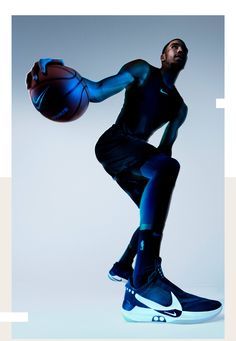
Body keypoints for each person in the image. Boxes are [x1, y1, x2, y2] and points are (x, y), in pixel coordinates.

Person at [26, 38, 222, 323]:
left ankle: (125, 271)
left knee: (152, 209)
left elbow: (164, 152)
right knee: (165, 173)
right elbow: (97, 91)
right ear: (162, 55)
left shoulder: (180, 108)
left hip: (135, 158)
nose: (179, 51)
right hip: (115, 143)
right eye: (173, 47)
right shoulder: (142, 71)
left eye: (184, 49)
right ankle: (144, 279)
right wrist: (68, 75)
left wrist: (158, 174)